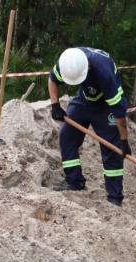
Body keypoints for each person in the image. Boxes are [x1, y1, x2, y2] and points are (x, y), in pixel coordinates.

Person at [49, 47, 130, 206]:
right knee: (67, 136)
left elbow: (120, 117)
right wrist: (55, 105)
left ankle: (115, 197)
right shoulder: (68, 61)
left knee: (112, 149)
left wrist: (124, 141)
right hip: (84, 99)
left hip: (106, 105)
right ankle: (74, 182)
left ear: (88, 68)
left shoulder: (104, 73)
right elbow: (52, 79)